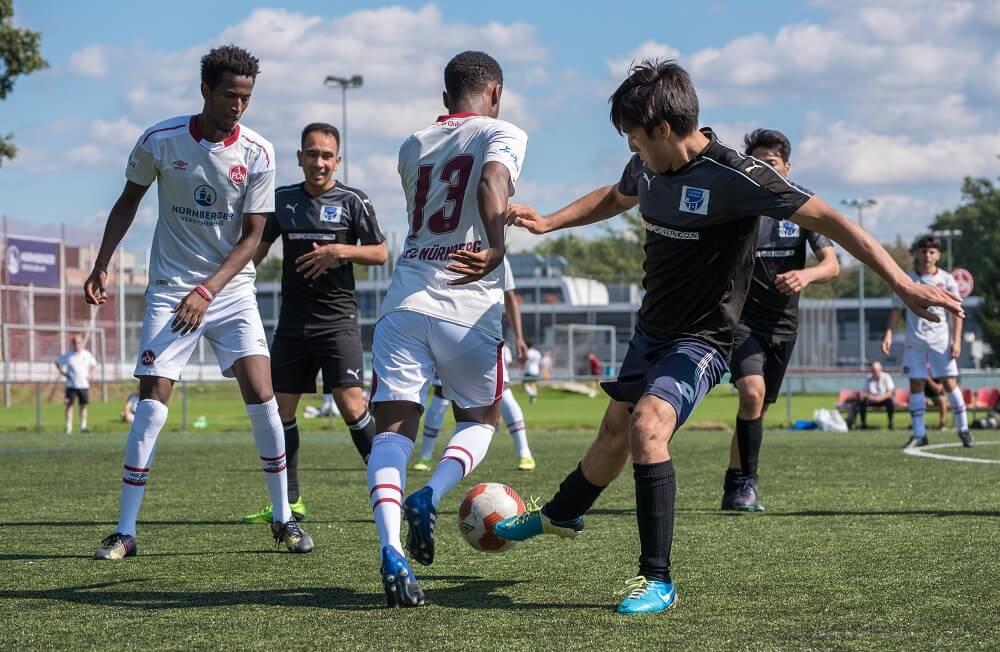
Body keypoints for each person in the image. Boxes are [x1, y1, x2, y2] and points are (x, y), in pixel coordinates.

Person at [497, 59, 962, 615]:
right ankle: (562, 514)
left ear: (665, 130)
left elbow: (836, 222)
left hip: (705, 338)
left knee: (649, 425)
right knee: (613, 434)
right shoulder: (647, 165)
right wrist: (549, 222)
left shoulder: (739, 178)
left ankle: (658, 579)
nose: (634, 153)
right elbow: (614, 195)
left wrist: (904, 284)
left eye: (637, 141)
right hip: (652, 330)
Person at [84, 45, 311, 560]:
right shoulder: (159, 141)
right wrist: (102, 262)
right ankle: (125, 531)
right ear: (205, 90)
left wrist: (209, 291)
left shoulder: (259, 152)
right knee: (150, 407)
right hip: (170, 290)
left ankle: (283, 520)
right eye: (230, 94)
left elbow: (254, 237)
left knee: (264, 399)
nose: (238, 105)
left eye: (246, 97)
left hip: (228, 292)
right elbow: (127, 201)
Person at [366, 50, 527, 607]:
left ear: (444, 99)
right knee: (480, 419)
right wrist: (497, 246)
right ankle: (430, 494)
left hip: (405, 301)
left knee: (391, 435)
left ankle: (391, 550)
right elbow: (490, 182)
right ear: (496, 94)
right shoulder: (502, 130)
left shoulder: (412, 144)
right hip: (467, 303)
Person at [240, 122, 387, 526]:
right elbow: (256, 250)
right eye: (312, 153)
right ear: (300, 157)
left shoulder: (354, 201)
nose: (319, 162)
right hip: (292, 324)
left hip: (337, 322)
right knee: (280, 412)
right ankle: (289, 503)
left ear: (337, 160)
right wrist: (230, 283)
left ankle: (389, 490)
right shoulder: (282, 199)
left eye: (326, 155)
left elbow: (380, 253)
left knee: (351, 404)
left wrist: (340, 251)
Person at [721, 128, 840, 512]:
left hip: (783, 327)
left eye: (769, 163)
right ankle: (749, 484)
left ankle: (733, 482)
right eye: (754, 163)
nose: (761, 169)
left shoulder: (801, 210)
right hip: (741, 322)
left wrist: (806, 275)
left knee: (757, 405)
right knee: (751, 393)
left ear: (786, 168)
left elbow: (832, 264)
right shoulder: (738, 208)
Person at [413, 258, 535, 471]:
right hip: (448, 335)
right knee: (440, 397)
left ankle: (524, 452)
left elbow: (510, 297)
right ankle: (425, 455)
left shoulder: (498, 256)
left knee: (504, 394)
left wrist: (519, 337)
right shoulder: (443, 249)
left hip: (486, 335)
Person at [882, 234, 972, 449]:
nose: (927, 256)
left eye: (932, 252)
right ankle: (919, 434)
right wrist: (888, 333)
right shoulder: (907, 279)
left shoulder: (947, 280)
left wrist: (956, 341)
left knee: (949, 384)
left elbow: (956, 312)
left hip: (940, 342)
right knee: (916, 384)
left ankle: (963, 429)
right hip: (915, 341)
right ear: (918, 254)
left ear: (938, 255)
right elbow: (896, 309)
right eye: (923, 251)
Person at [54, 335, 98, 434]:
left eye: (79, 342)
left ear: (82, 343)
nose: (77, 345)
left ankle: (83, 426)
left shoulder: (86, 355)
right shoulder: (68, 355)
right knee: (69, 406)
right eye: (75, 343)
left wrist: (91, 375)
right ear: (72, 344)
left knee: (83, 406)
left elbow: (94, 365)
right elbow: (57, 362)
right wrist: (63, 373)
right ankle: (69, 427)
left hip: (83, 385)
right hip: (71, 385)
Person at [845, 361, 895, 430]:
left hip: (883, 398)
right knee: (861, 402)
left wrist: (880, 398)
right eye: (873, 370)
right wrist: (870, 397)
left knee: (890, 401)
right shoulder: (868, 377)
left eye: (875, 370)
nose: (874, 372)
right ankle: (863, 424)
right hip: (871, 399)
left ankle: (890, 423)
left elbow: (890, 392)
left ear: (880, 370)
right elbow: (864, 392)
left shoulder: (887, 377)